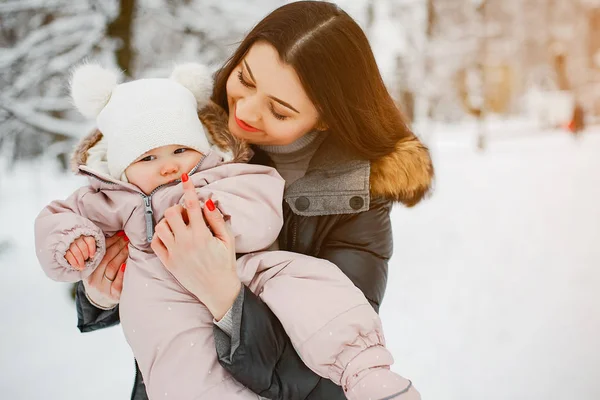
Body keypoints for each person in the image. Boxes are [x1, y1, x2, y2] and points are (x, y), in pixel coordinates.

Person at [73, 2, 434, 399]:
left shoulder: (356, 202)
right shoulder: (185, 135)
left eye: (279, 111)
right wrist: (100, 289)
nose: (243, 110)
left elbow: (313, 369)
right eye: (244, 79)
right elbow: (117, 221)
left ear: (327, 117)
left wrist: (223, 294)